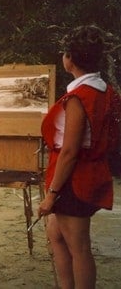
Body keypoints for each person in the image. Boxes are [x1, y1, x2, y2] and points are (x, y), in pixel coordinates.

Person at [38, 25, 121, 289]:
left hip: (74, 179)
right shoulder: (104, 90)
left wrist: (51, 194)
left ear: (70, 59)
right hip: (89, 173)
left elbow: (71, 151)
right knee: (55, 233)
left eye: (65, 52)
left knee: (80, 247)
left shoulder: (79, 96)